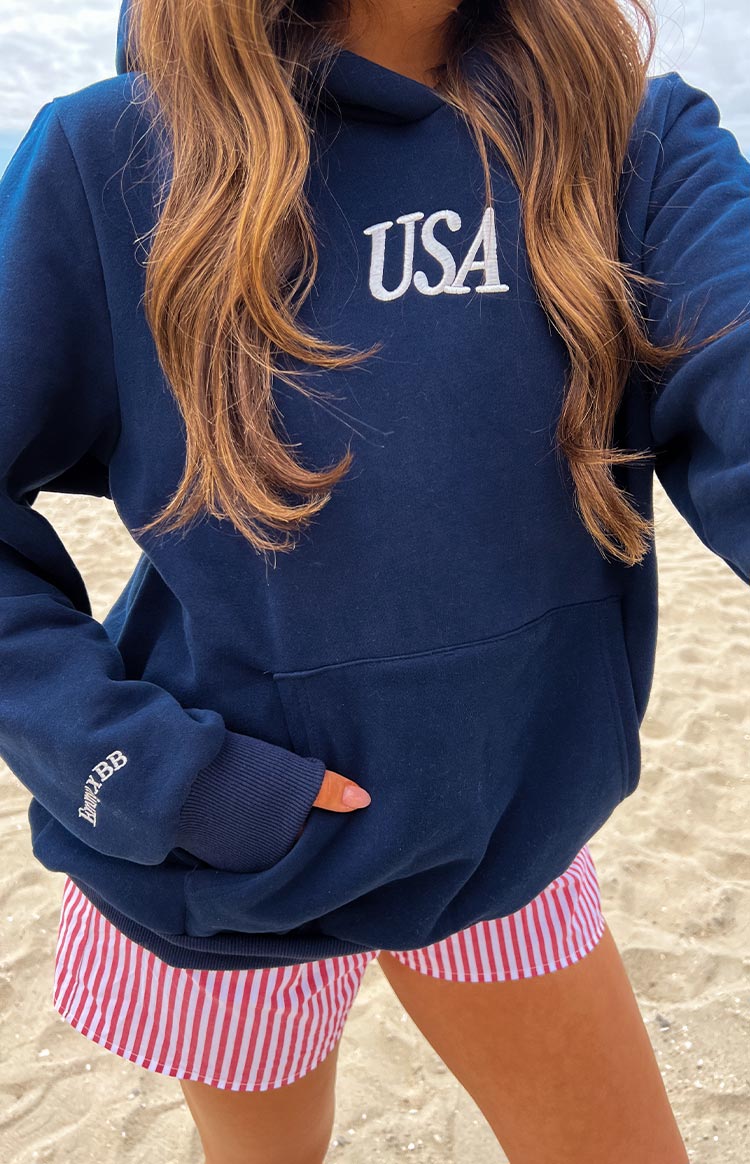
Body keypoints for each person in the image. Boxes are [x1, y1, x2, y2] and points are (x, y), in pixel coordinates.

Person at [1, 0, 747, 1159]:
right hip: (226, 859)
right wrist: (159, 778)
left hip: (515, 844)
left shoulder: (629, 142)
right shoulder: (111, 156)